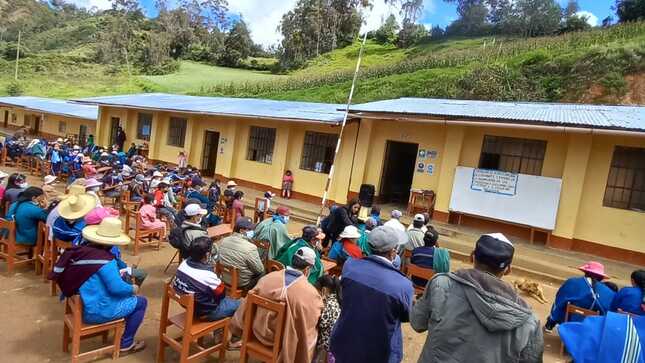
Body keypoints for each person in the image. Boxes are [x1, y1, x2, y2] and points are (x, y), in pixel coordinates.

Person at [411, 233, 544, 363]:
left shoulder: (441, 285)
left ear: (472, 257)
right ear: (508, 269)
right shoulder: (529, 322)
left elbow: (417, 323)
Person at [49, 217, 147, 355]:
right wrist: (133, 288)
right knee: (141, 302)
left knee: (127, 294)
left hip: (81, 303)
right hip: (96, 311)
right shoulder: (105, 260)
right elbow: (117, 289)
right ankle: (126, 343)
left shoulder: (80, 252)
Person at [330, 227, 414, 363]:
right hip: (380, 351)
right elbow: (406, 316)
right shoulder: (403, 285)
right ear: (393, 252)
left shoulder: (350, 266)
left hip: (345, 342)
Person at [230, 247, 323, 361]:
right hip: (284, 344)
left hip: (256, 332)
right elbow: (313, 319)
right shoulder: (310, 293)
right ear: (307, 269)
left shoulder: (267, 278)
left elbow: (246, 306)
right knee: (314, 331)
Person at [173, 236, 241, 320]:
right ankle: (224, 329)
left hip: (185, 304)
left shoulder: (183, 263)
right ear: (207, 254)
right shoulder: (207, 275)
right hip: (204, 312)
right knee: (241, 303)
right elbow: (222, 295)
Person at [545, 261, 616, 331]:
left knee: (560, 301)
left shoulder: (572, 282)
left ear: (586, 272)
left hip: (569, 319)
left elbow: (560, 299)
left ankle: (550, 323)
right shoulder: (609, 292)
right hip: (592, 326)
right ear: (601, 277)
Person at [217, 217, 265, 290]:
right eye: (249, 229)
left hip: (224, 278)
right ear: (241, 231)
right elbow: (259, 270)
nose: (252, 231)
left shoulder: (223, 240)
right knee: (262, 272)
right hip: (241, 284)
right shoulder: (251, 247)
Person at [315, 275, 342, 361]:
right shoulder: (336, 300)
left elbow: (321, 324)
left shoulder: (329, 304)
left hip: (325, 347)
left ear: (324, 290)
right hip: (334, 344)